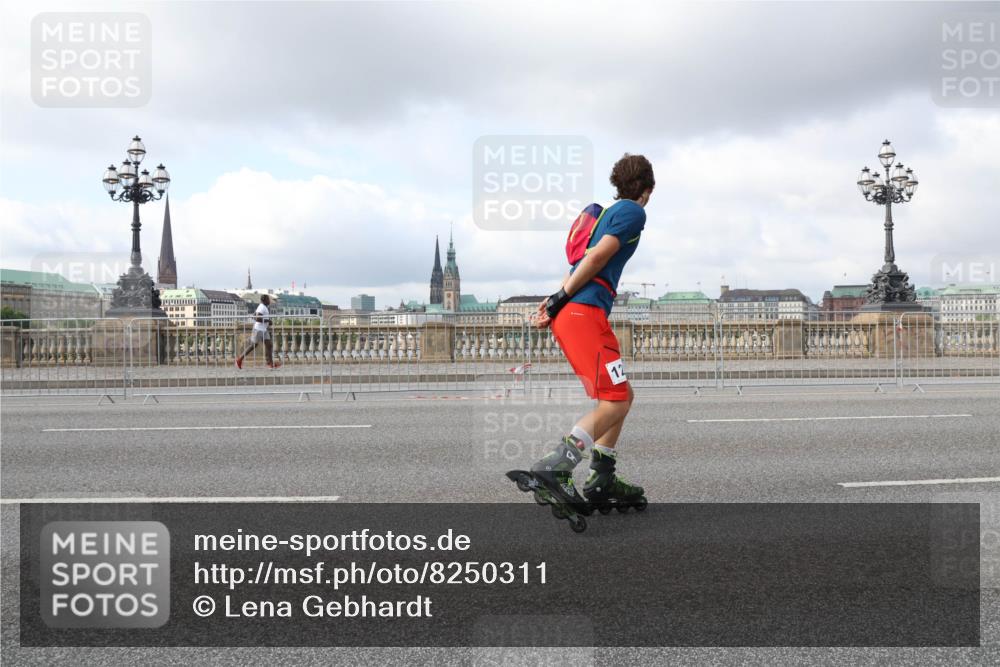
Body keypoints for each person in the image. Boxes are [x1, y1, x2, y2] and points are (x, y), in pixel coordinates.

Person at [531, 153, 654, 513]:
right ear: (648, 188)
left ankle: (603, 474)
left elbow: (580, 262)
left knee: (622, 395)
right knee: (615, 400)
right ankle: (558, 465)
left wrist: (555, 302)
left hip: (575, 313)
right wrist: (559, 299)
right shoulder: (633, 211)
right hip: (584, 314)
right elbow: (598, 257)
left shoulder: (603, 215)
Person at [235, 294, 281, 369]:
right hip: (258, 330)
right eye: (268, 299)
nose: (269, 301)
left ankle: (270, 363)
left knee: (269, 345)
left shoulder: (262, 307)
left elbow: (254, 315)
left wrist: (266, 321)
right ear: (265, 300)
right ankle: (239, 360)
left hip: (264, 329)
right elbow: (257, 318)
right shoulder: (262, 307)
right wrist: (268, 320)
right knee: (253, 346)